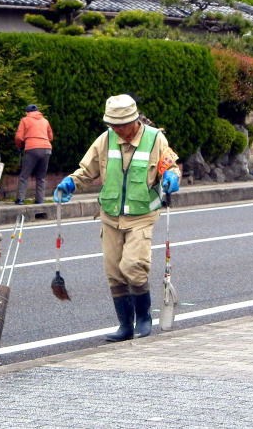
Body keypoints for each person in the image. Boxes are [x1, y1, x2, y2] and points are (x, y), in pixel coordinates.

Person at [53, 94, 180, 342]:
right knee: (114, 272)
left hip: (141, 215)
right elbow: (87, 170)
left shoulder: (155, 138)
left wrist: (172, 177)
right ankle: (125, 326)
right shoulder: (105, 140)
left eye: (121, 125)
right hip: (110, 214)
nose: (117, 130)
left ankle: (143, 317)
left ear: (134, 120)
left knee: (133, 266)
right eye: (112, 125)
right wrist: (71, 182)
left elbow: (171, 166)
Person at [14, 104, 54, 204]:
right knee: (41, 177)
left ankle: (20, 199)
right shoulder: (45, 121)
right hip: (46, 149)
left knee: (24, 176)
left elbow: (19, 137)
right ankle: (40, 200)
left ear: (27, 112)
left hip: (32, 148)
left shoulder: (25, 120)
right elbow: (51, 137)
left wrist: (20, 145)